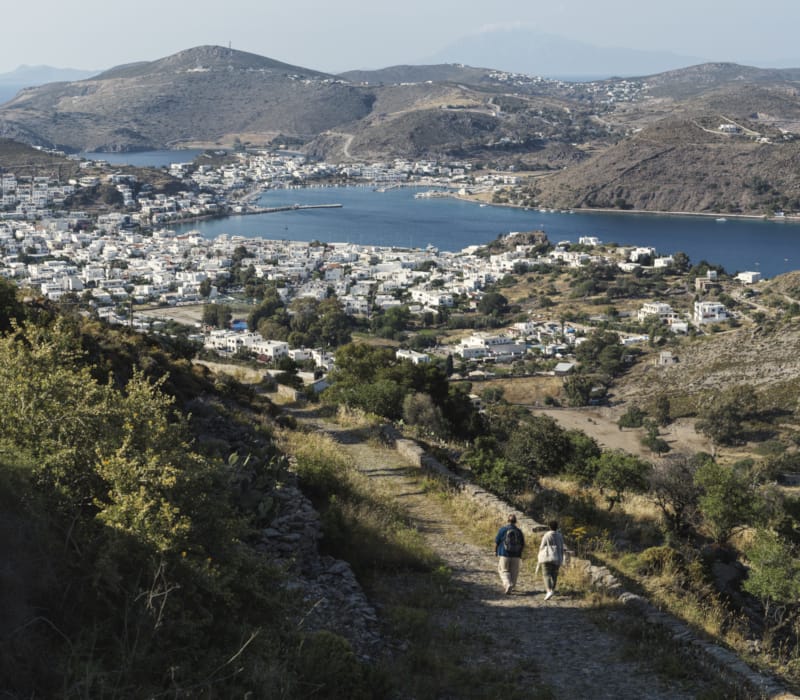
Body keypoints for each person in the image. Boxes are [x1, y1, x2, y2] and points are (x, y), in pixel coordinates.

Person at [494, 513, 525, 594]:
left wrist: (495, 551)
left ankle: (508, 584)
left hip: (504, 554)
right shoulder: (519, 531)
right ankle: (512, 586)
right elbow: (522, 544)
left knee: (503, 570)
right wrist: (520, 554)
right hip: (516, 555)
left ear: (508, 520)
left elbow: (497, 542)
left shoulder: (503, 529)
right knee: (514, 572)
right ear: (516, 522)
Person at [537, 520, 566, 601]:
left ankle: (549, 590)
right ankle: (552, 589)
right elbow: (562, 546)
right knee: (554, 575)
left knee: (546, 574)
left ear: (549, 527)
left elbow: (541, 546)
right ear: (557, 527)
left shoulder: (546, 535)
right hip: (557, 557)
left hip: (547, 557)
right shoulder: (560, 536)